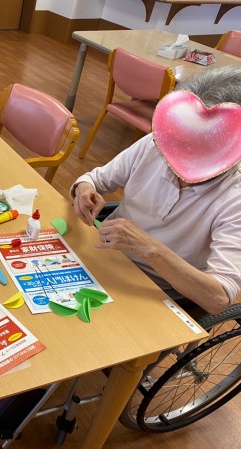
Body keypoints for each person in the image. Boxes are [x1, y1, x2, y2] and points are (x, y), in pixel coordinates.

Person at [71, 66, 241, 315]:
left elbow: (218, 298)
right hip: (106, 258)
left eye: (197, 150)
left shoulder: (234, 198)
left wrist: (149, 248)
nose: (176, 160)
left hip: (156, 293)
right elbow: (94, 179)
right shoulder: (156, 144)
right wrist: (84, 189)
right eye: (179, 142)